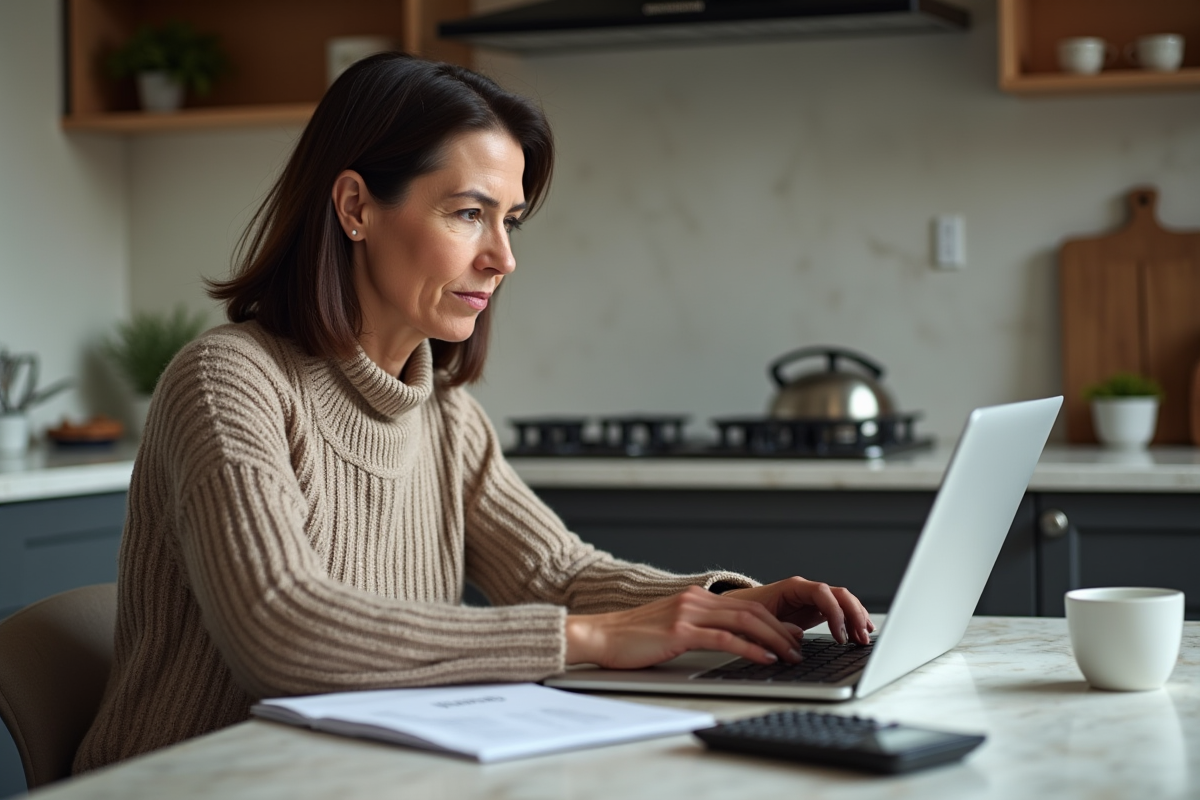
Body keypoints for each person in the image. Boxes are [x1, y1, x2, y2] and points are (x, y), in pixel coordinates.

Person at [74, 54, 873, 773]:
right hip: (196, 781)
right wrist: (586, 640)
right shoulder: (228, 381)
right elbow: (279, 627)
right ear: (355, 207)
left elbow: (556, 574)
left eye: (510, 219)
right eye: (467, 213)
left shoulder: (445, 413)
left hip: (359, 773)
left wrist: (723, 604)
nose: (503, 257)